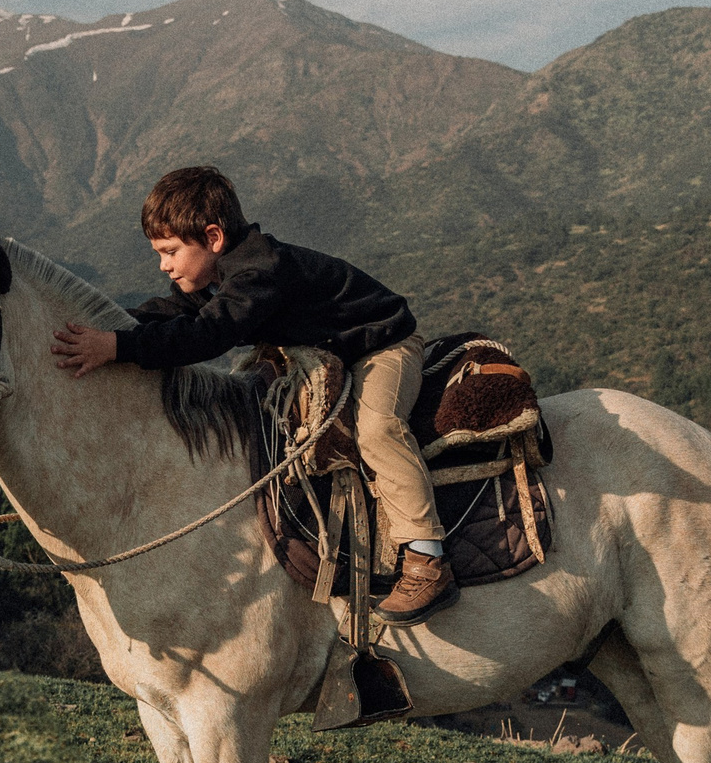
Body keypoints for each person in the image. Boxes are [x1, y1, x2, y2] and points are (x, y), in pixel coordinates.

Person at [48, 165, 456, 623]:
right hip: (330, 349)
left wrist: (116, 347)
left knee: (378, 429)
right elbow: (165, 314)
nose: (164, 265)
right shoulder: (219, 276)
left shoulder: (260, 272)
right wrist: (101, 325)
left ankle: (426, 558)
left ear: (213, 238)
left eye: (170, 252)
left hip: (383, 344)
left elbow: (207, 335)